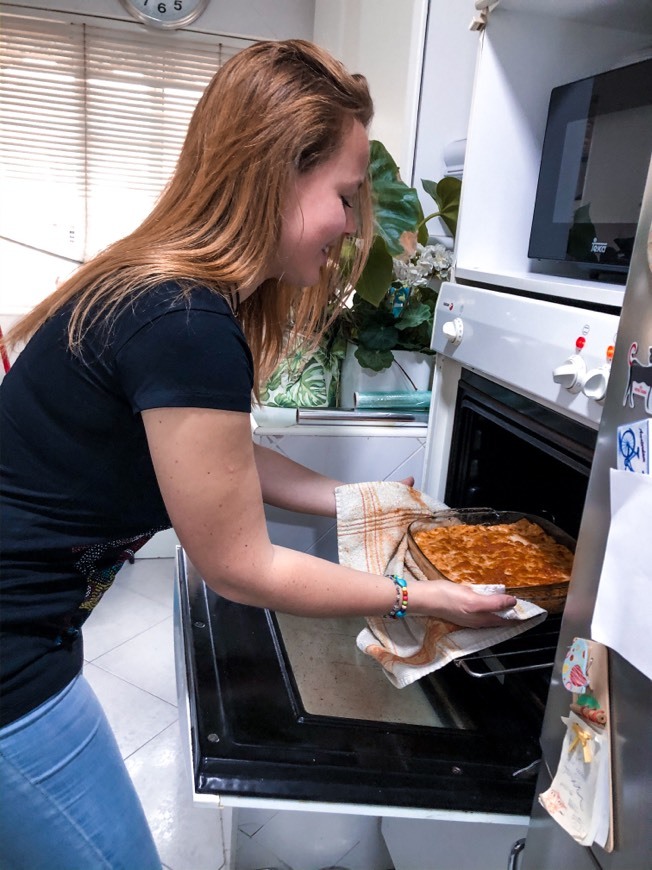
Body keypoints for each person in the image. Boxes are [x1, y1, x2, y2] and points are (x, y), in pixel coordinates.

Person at [0, 39, 516, 869]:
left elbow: (223, 461)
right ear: (280, 170)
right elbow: (241, 567)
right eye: (345, 195)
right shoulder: (185, 322)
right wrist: (414, 598)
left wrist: (356, 502)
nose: (351, 224)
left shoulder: (160, 290)